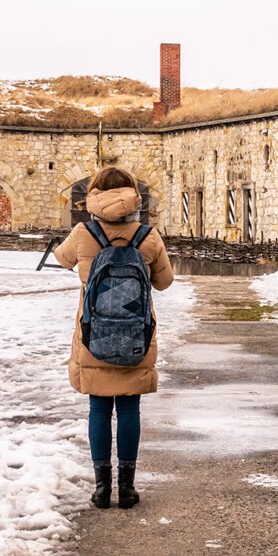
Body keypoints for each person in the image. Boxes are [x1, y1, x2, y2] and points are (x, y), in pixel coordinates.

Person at [54, 166, 173, 509]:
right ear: (132, 195)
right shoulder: (148, 236)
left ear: (94, 194)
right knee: (130, 407)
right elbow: (164, 283)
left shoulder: (82, 233)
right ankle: (129, 487)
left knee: (99, 408)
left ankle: (102, 488)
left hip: (94, 334)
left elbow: (61, 260)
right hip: (136, 334)